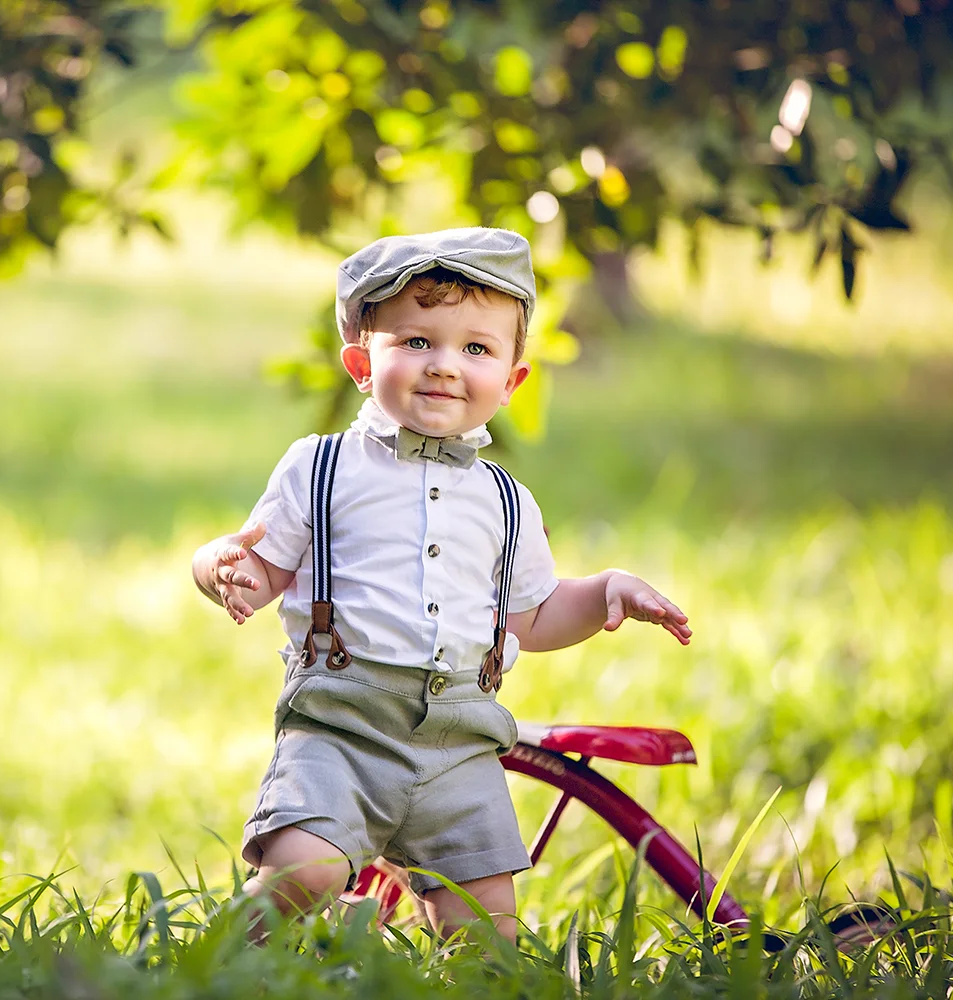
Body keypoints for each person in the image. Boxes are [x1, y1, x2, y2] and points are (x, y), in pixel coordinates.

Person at [190, 227, 691, 943]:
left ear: (513, 380)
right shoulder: (320, 467)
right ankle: (206, 965)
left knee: (487, 935)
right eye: (417, 342)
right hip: (342, 724)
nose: (445, 367)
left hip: (460, 741)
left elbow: (535, 617)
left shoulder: (506, 500)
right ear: (363, 363)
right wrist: (220, 568)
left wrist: (603, 592)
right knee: (307, 873)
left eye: (476, 349)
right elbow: (260, 565)